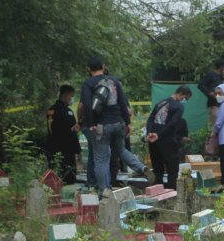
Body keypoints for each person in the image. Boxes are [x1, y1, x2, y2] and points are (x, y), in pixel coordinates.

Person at [80, 57, 146, 192]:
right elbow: (123, 103)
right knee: (121, 150)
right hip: (119, 123)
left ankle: (105, 192)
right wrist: (128, 123)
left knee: (101, 159)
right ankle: (141, 167)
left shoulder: (88, 83)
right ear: (103, 67)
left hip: (102, 126)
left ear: (88, 69)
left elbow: (86, 104)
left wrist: (91, 123)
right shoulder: (114, 81)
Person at [146, 86, 192, 190]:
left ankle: (157, 189)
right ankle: (172, 190)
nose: (185, 101)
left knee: (157, 166)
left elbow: (150, 119)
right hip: (167, 139)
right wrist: (160, 135)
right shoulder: (179, 106)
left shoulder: (160, 103)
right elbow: (172, 124)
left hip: (153, 139)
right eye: (186, 98)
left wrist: (149, 133)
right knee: (172, 166)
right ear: (180, 94)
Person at [46, 85, 81, 184]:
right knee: (67, 178)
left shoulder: (50, 110)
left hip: (51, 147)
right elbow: (70, 132)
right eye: (71, 96)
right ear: (66, 95)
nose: (72, 99)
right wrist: (77, 150)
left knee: (54, 177)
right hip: (65, 150)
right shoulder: (66, 112)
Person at [198, 59, 224, 127]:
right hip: (213, 103)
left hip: (221, 102)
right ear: (222, 66)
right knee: (215, 124)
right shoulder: (211, 74)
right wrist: (209, 93)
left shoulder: (221, 76)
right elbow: (200, 85)